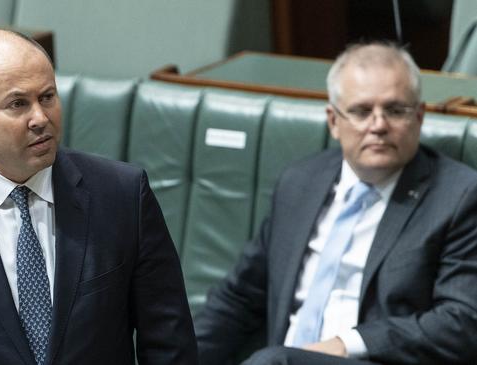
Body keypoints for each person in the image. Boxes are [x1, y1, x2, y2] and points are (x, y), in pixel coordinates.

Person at [0, 29, 197, 365]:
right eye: (18, 104)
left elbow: (170, 347)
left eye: (47, 97)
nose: (40, 119)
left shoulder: (122, 196)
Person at [195, 42, 477, 365]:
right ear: (333, 120)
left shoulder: (459, 196)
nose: (379, 125)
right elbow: (239, 298)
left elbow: (461, 322)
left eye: (395, 110)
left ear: (419, 116)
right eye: (361, 111)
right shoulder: (300, 182)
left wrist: (348, 344)